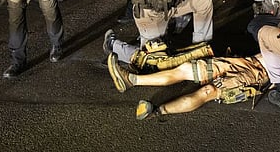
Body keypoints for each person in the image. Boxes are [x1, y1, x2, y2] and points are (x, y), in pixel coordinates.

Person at [106, 51, 269, 118]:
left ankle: (158, 111)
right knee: (187, 69)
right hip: (246, 62)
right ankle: (131, 80)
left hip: (256, 76)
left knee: (208, 91)